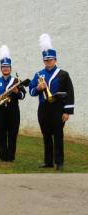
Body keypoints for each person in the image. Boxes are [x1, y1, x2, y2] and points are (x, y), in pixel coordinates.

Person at [29, 34, 74, 170]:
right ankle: (48, 161)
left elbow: (70, 93)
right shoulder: (38, 74)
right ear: (43, 61)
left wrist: (67, 111)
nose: (48, 62)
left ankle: (59, 161)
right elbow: (31, 90)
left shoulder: (63, 74)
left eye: (50, 59)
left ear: (55, 59)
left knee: (58, 135)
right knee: (46, 135)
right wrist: (38, 88)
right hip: (43, 108)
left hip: (58, 108)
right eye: (46, 60)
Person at [0, 45, 25, 162]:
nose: (5, 69)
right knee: (1, 134)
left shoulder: (17, 81)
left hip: (13, 111)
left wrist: (17, 91)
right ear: (1, 68)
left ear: (10, 68)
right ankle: (3, 156)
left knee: (12, 134)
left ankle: (11, 157)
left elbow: (23, 96)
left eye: (7, 67)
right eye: (3, 67)